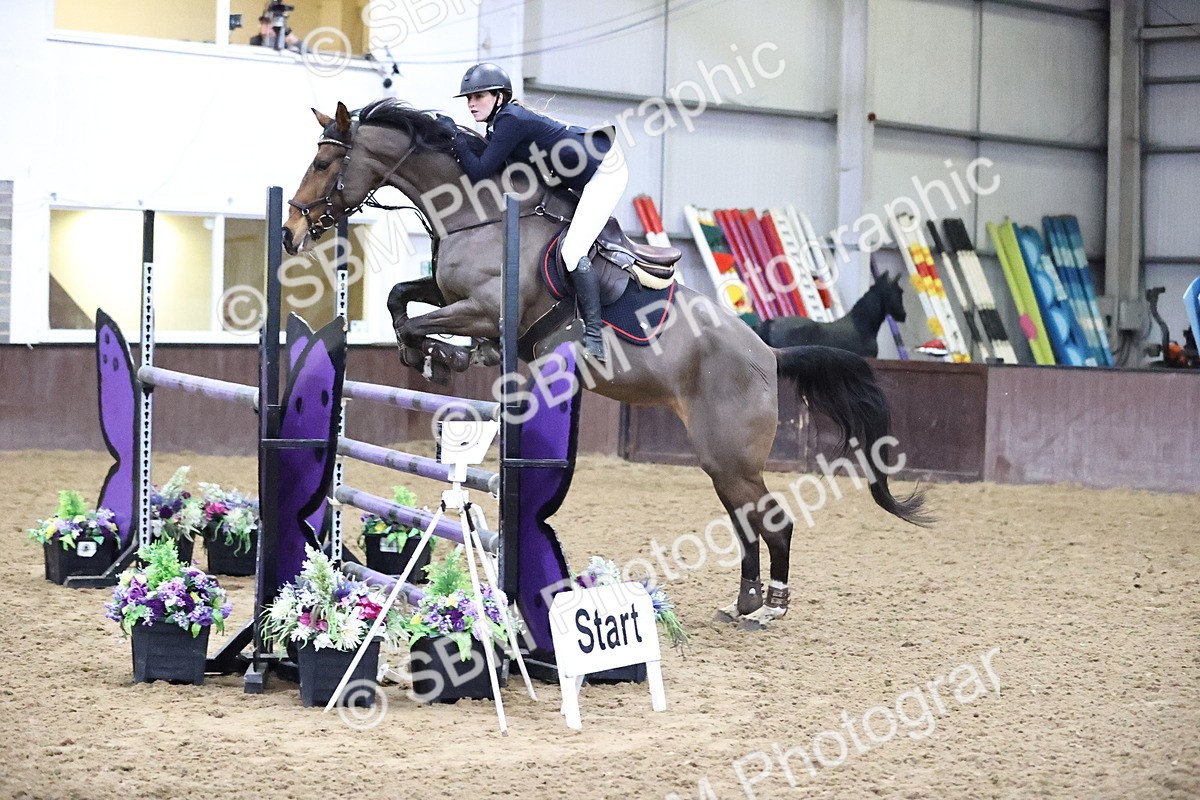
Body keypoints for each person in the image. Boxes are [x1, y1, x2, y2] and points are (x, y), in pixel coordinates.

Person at [440, 63, 628, 362]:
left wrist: (454, 137)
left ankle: (595, 336)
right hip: (574, 172)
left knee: (572, 251)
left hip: (603, 171)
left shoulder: (510, 121)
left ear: (499, 96)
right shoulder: (501, 122)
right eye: (468, 99)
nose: (471, 104)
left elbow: (479, 171)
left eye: (478, 96)